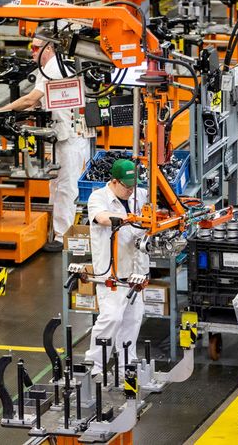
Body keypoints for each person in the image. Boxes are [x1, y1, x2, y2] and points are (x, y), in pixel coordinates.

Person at [0, 38, 92, 252]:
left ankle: (63, 237)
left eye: (35, 48)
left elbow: (30, 100)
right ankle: (55, 229)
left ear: (48, 48)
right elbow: (39, 101)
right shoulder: (46, 68)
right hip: (62, 137)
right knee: (56, 184)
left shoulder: (54, 69)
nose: (31, 52)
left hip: (72, 138)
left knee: (66, 187)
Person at [84, 159, 150, 376]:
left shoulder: (138, 195)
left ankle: (126, 368)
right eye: (127, 187)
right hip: (111, 273)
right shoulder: (98, 197)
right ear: (114, 181)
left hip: (136, 271)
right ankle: (96, 366)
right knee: (111, 318)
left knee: (132, 320)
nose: (131, 191)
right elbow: (101, 218)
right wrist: (132, 218)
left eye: (134, 186)